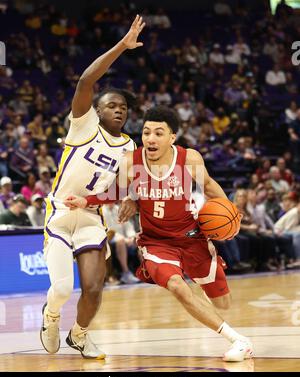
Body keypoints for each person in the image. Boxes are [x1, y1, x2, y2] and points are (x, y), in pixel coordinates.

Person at [65, 106, 253, 362]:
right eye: (146, 132)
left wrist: (233, 220)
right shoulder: (131, 160)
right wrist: (86, 201)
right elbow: (116, 192)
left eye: (158, 133)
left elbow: (209, 188)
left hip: (192, 237)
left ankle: (206, 291)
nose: (151, 139)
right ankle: (238, 340)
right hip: (156, 243)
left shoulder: (189, 159)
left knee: (222, 303)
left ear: (172, 137)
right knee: (177, 286)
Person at [40, 15, 145, 359]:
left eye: (124, 108)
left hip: (90, 216)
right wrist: (123, 46)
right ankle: (51, 317)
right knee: (60, 288)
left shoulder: (130, 147)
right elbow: (87, 79)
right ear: (96, 110)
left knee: (94, 288)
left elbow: (121, 190)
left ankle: (80, 334)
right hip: (59, 213)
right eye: (112, 105)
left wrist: (129, 197)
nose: (119, 111)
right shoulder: (83, 126)